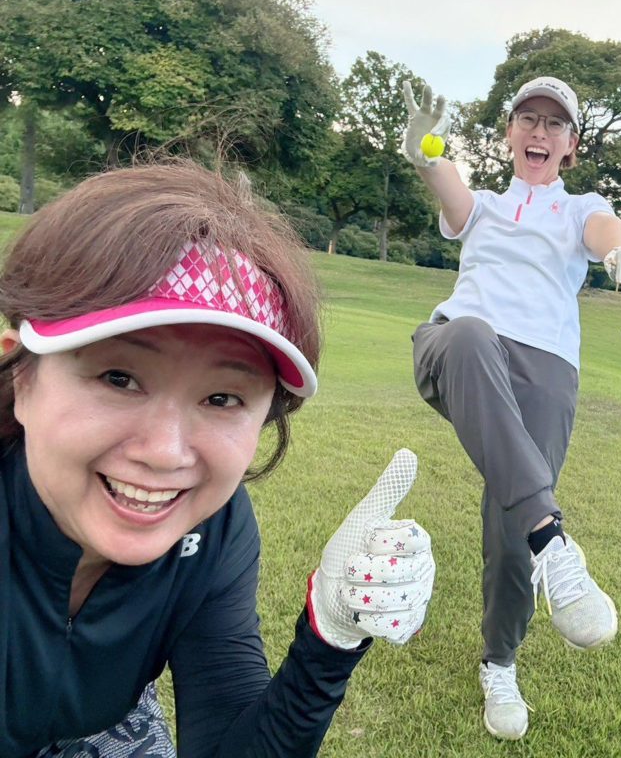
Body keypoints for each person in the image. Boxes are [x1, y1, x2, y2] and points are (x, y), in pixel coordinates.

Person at [0, 161, 436, 758]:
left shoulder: (216, 529)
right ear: (21, 377)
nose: (165, 452)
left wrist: (329, 638)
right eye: (119, 377)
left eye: (223, 398)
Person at [400, 76, 621, 740]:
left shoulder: (581, 206)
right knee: (470, 334)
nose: (539, 131)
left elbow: (605, 233)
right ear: (509, 133)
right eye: (527, 118)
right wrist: (424, 151)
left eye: (555, 124)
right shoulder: (486, 206)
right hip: (458, 346)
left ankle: (499, 661)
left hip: (547, 368)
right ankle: (553, 541)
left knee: (512, 527)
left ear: (570, 146)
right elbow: (447, 182)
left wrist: (620, 253)